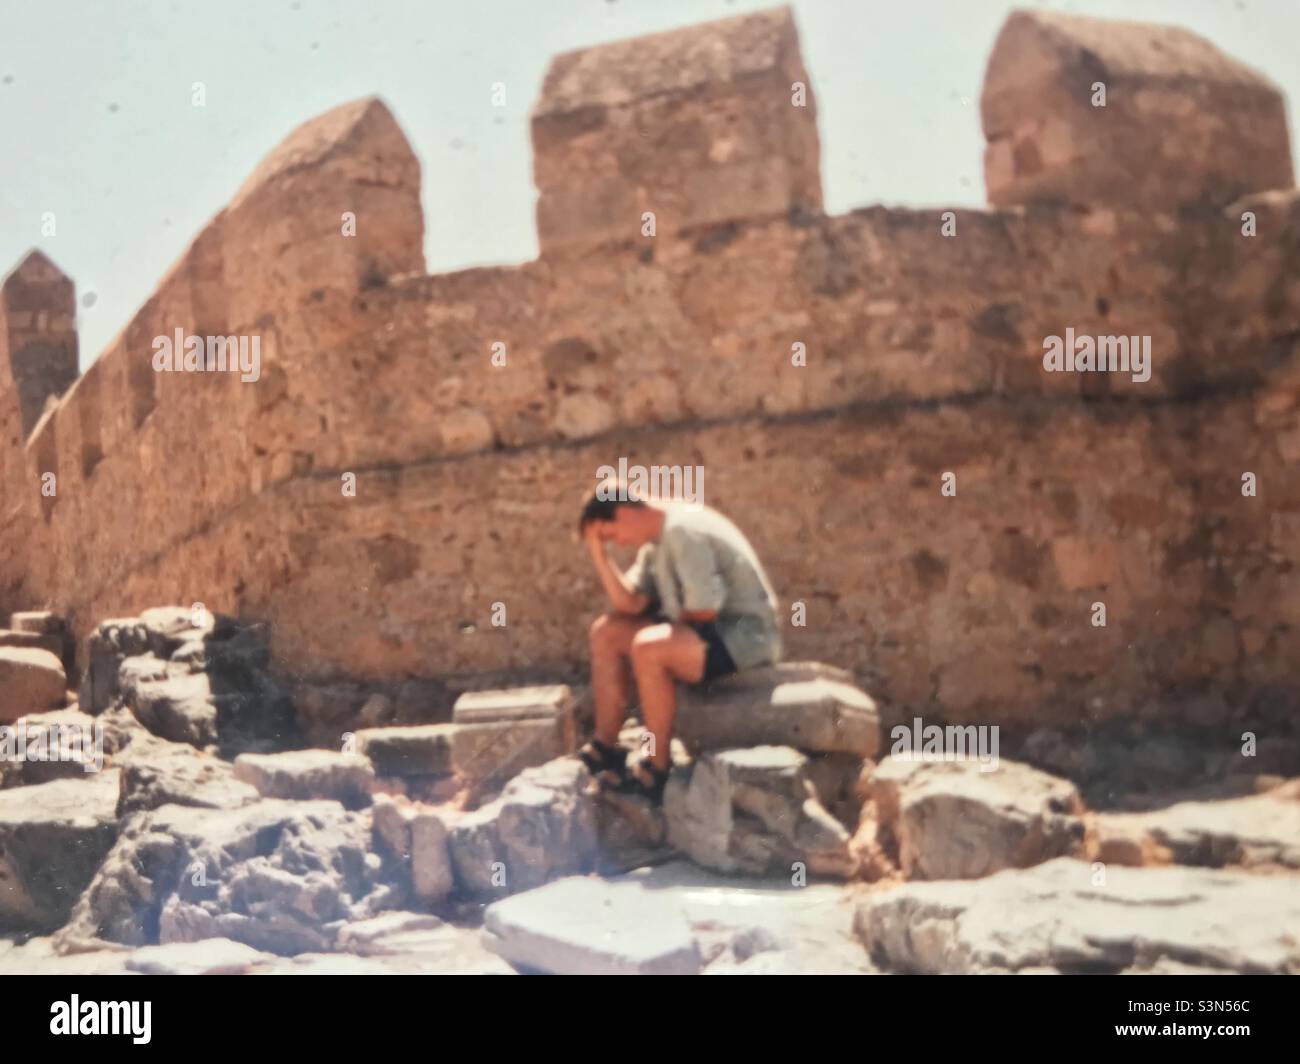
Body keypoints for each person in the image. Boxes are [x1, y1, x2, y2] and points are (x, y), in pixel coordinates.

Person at [577, 482, 782, 802]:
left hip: (744, 637)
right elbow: (628, 605)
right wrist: (598, 555)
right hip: (706, 633)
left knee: (648, 646)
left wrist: (659, 643)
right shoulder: (655, 543)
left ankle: (655, 769)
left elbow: (703, 609)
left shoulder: (682, 529)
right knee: (607, 632)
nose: (615, 542)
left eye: (609, 535)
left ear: (624, 512)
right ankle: (606, 747)